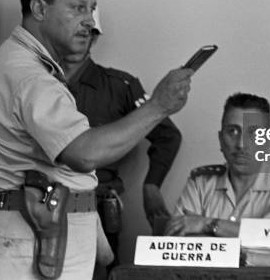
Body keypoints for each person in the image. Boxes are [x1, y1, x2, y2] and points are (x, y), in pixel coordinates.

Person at [0, 0, 192, 279]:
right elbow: (84, 154)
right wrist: (158, 106)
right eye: (78, 8)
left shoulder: (22, 64)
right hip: (28, 237)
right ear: (40, 9)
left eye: (92, 9)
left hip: (39, 234)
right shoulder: (30, 77)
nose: (89, 20)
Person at [61, 17, 182, 266]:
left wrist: (152, 185)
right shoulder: (35, 81)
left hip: (96, 207)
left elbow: (167, 135)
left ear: (95, 37)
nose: (82, 37)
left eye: (89, 32)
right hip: (39, 206)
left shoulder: (120, 86)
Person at [165, 93, 270, 237]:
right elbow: (178, 239)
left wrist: (207, 224)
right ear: (221, 139)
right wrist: (245, 237)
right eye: (232, 131)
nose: (241, 144)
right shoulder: (199, 183)